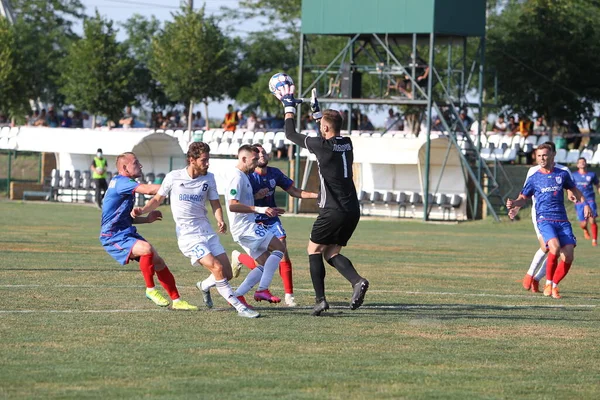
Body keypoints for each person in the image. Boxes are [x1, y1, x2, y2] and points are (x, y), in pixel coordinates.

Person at [131, 142, 259, 318]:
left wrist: (220, 219)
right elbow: (157, 199)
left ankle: (204, 286)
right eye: (204, 160)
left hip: (206, 231)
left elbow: (215, 203)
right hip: (188, 237)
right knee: (216, 267)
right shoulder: (173, 177)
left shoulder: (209, 178)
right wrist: (142, 210)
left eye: (208, 160)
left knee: (227, 273)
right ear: (192, 160)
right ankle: (239, 307)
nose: (207, 164)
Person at [274, 85, 369, 316]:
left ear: (325, 127)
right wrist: (317, 114)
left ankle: (320, 300)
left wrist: (288, 109)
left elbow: (290, 134)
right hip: (352, 210)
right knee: (331, 253)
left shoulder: (322, 145)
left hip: (332, 209)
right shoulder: (346, 143)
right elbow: (326, 134)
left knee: (313, 250)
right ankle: (357, 281)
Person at [99, 152, 197, 310]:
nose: (141, 166)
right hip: (112, 236)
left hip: (125, 232)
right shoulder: (121, 182)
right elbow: (149, 189)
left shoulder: (123, 184)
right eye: (136, 163)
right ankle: (150, 290)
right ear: (125, 167)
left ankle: (177, 301)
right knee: (147, 250)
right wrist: (179, 185)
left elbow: (126, 218)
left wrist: (147, 219)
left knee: (158, 262)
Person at [231, 143, 318, 307]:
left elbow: (295, 191)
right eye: (257, 155)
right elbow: (235, 203)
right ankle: (250, 275)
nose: (261, 156)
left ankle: (288, 295)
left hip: (270, 219)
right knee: (264, 261)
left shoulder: (274, 173)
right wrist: (257, 198)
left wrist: (317, 196)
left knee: (281, 251)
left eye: (263, 153)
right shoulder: (245, 176)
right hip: (252, 221)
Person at [507, 143, 590, 299]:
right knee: (553, 247)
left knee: (569, 255)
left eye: (545, 155)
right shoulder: (533, 176)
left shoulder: (562, 173)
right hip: (544, 219)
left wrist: (584, 204)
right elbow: (523, 198)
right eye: (539, 156)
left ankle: (553, 285)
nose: (542, 158)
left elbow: (574, 190)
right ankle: (540, 280)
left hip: (562, 219)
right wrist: (514, 203)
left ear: (552, 155)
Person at [224, 144, 287, 307]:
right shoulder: (236, 177)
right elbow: (232, 205)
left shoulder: (244, 175)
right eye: (254, 159)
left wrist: (255, 196)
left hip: (247, 226)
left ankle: (237, 296)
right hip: (244, 228)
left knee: (265, 263)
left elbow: (242, 200)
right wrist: (260, 208)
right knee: (280, 248)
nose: (257, 161)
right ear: (244, 159)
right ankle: (262, 290)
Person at [572, 157, 600, 246]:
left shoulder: (592, 174)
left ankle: (594, 240)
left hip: (590, 200)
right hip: (579, 202)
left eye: (584, 162)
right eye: (580, 162)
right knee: (583, 223)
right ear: (577, 165)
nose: (582, 163)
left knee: (592, 220)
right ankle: (585, 230)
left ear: (586, 163)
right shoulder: (574, 175)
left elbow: (597, 185)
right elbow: (570, 187)